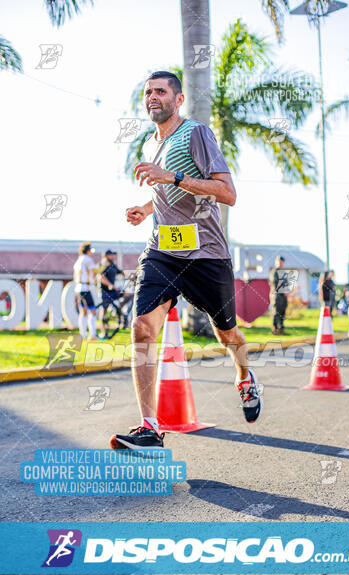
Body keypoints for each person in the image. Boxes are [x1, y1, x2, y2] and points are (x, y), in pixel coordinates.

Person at [110, 70, 263, 450]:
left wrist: (171, 176)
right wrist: (147, 209)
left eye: (160, 91)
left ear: (178, 99)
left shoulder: (195, 133)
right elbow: (168, 193)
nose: (152, 97)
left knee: (227, 333)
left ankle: (244, 376)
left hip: (205, 254)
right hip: (163, 251)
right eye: (148, 92)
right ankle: (150, 427)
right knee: (142, 328)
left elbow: (227, 193)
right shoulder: (152, 143)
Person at [73, 242, 98, 340]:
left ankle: (82, 334)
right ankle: (93, 335)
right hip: (86, 288)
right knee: (93, 311)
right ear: (88, 250)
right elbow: (95, 271)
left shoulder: (78, 261)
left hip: (78, 288)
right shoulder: (88, 260)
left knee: (83, 312)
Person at [269, 256, 288, 335]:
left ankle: (281, 329)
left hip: (283, 296)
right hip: (276, 295)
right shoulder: (274, 272)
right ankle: (275, 330)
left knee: (282, 312)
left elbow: (286, 283)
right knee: (276, 312)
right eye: (279, 262)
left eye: (282, 262)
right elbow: (276, 282)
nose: (280, 263)